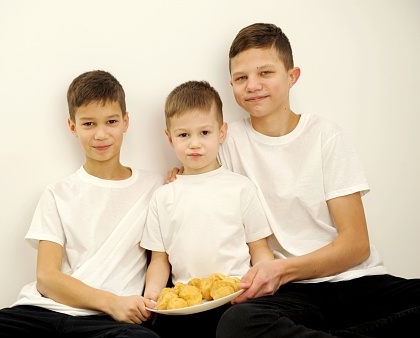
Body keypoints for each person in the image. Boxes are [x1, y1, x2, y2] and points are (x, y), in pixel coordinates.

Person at [169, 23, 420, 337]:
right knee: (237, 325)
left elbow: (356, 244)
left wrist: (281, 269)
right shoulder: (224, 141)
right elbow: (196, 185)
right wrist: (179, 178)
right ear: (231, 84)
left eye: (265, 73)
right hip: (291, 294)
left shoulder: (325, 136)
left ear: (292, 76)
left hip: (357, 281)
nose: (253, 85)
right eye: (241, 78)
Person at [0, 70, 163, 338]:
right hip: (40, 314)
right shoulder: (58, 194)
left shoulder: (155, 187)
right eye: (89, 124)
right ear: (73, 126)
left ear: (126, 121)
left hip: (105, 324)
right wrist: (112, 302)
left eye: (111, 121)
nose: (101, 134)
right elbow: (47, 278)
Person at [141, 80, 275, 337]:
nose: (194, 144)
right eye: (183, 135)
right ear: (169, 138)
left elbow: (260, 249)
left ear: (221, 133)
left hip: (238, 297)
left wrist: (263, 287)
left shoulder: (240, 188)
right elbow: (159, 260)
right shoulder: (163, 196)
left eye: (204, 133)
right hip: (186, 306)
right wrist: (153, 296)